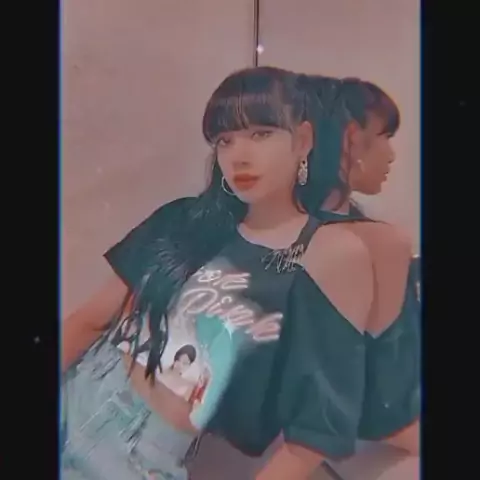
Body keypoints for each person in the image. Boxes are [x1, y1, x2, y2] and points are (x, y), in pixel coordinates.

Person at [61, 66, 419, 480]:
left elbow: (314, 435)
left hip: (138, 455)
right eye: (225, 140)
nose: (239, 155)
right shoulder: (186, 219)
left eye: (261, 134)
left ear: (303, 141)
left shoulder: (329, 256)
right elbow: (90, 320)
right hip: (77, 392)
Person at [305, 73, 421, 456]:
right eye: (385, 136)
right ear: (351, 138)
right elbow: (385, 406)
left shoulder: (290, 229)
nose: (392, 154)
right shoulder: (375, 243)